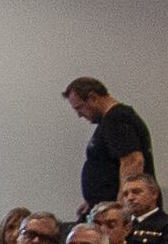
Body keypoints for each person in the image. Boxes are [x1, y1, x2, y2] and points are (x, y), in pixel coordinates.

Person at [65, 77, 153, 212]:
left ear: (93, 98)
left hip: (114, 213)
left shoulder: (116, 119)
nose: (79, 115)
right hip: (102, 206)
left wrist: (121, 205)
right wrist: (92, 200)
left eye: (79, 108)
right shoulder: (108, 121)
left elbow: (133, 161)